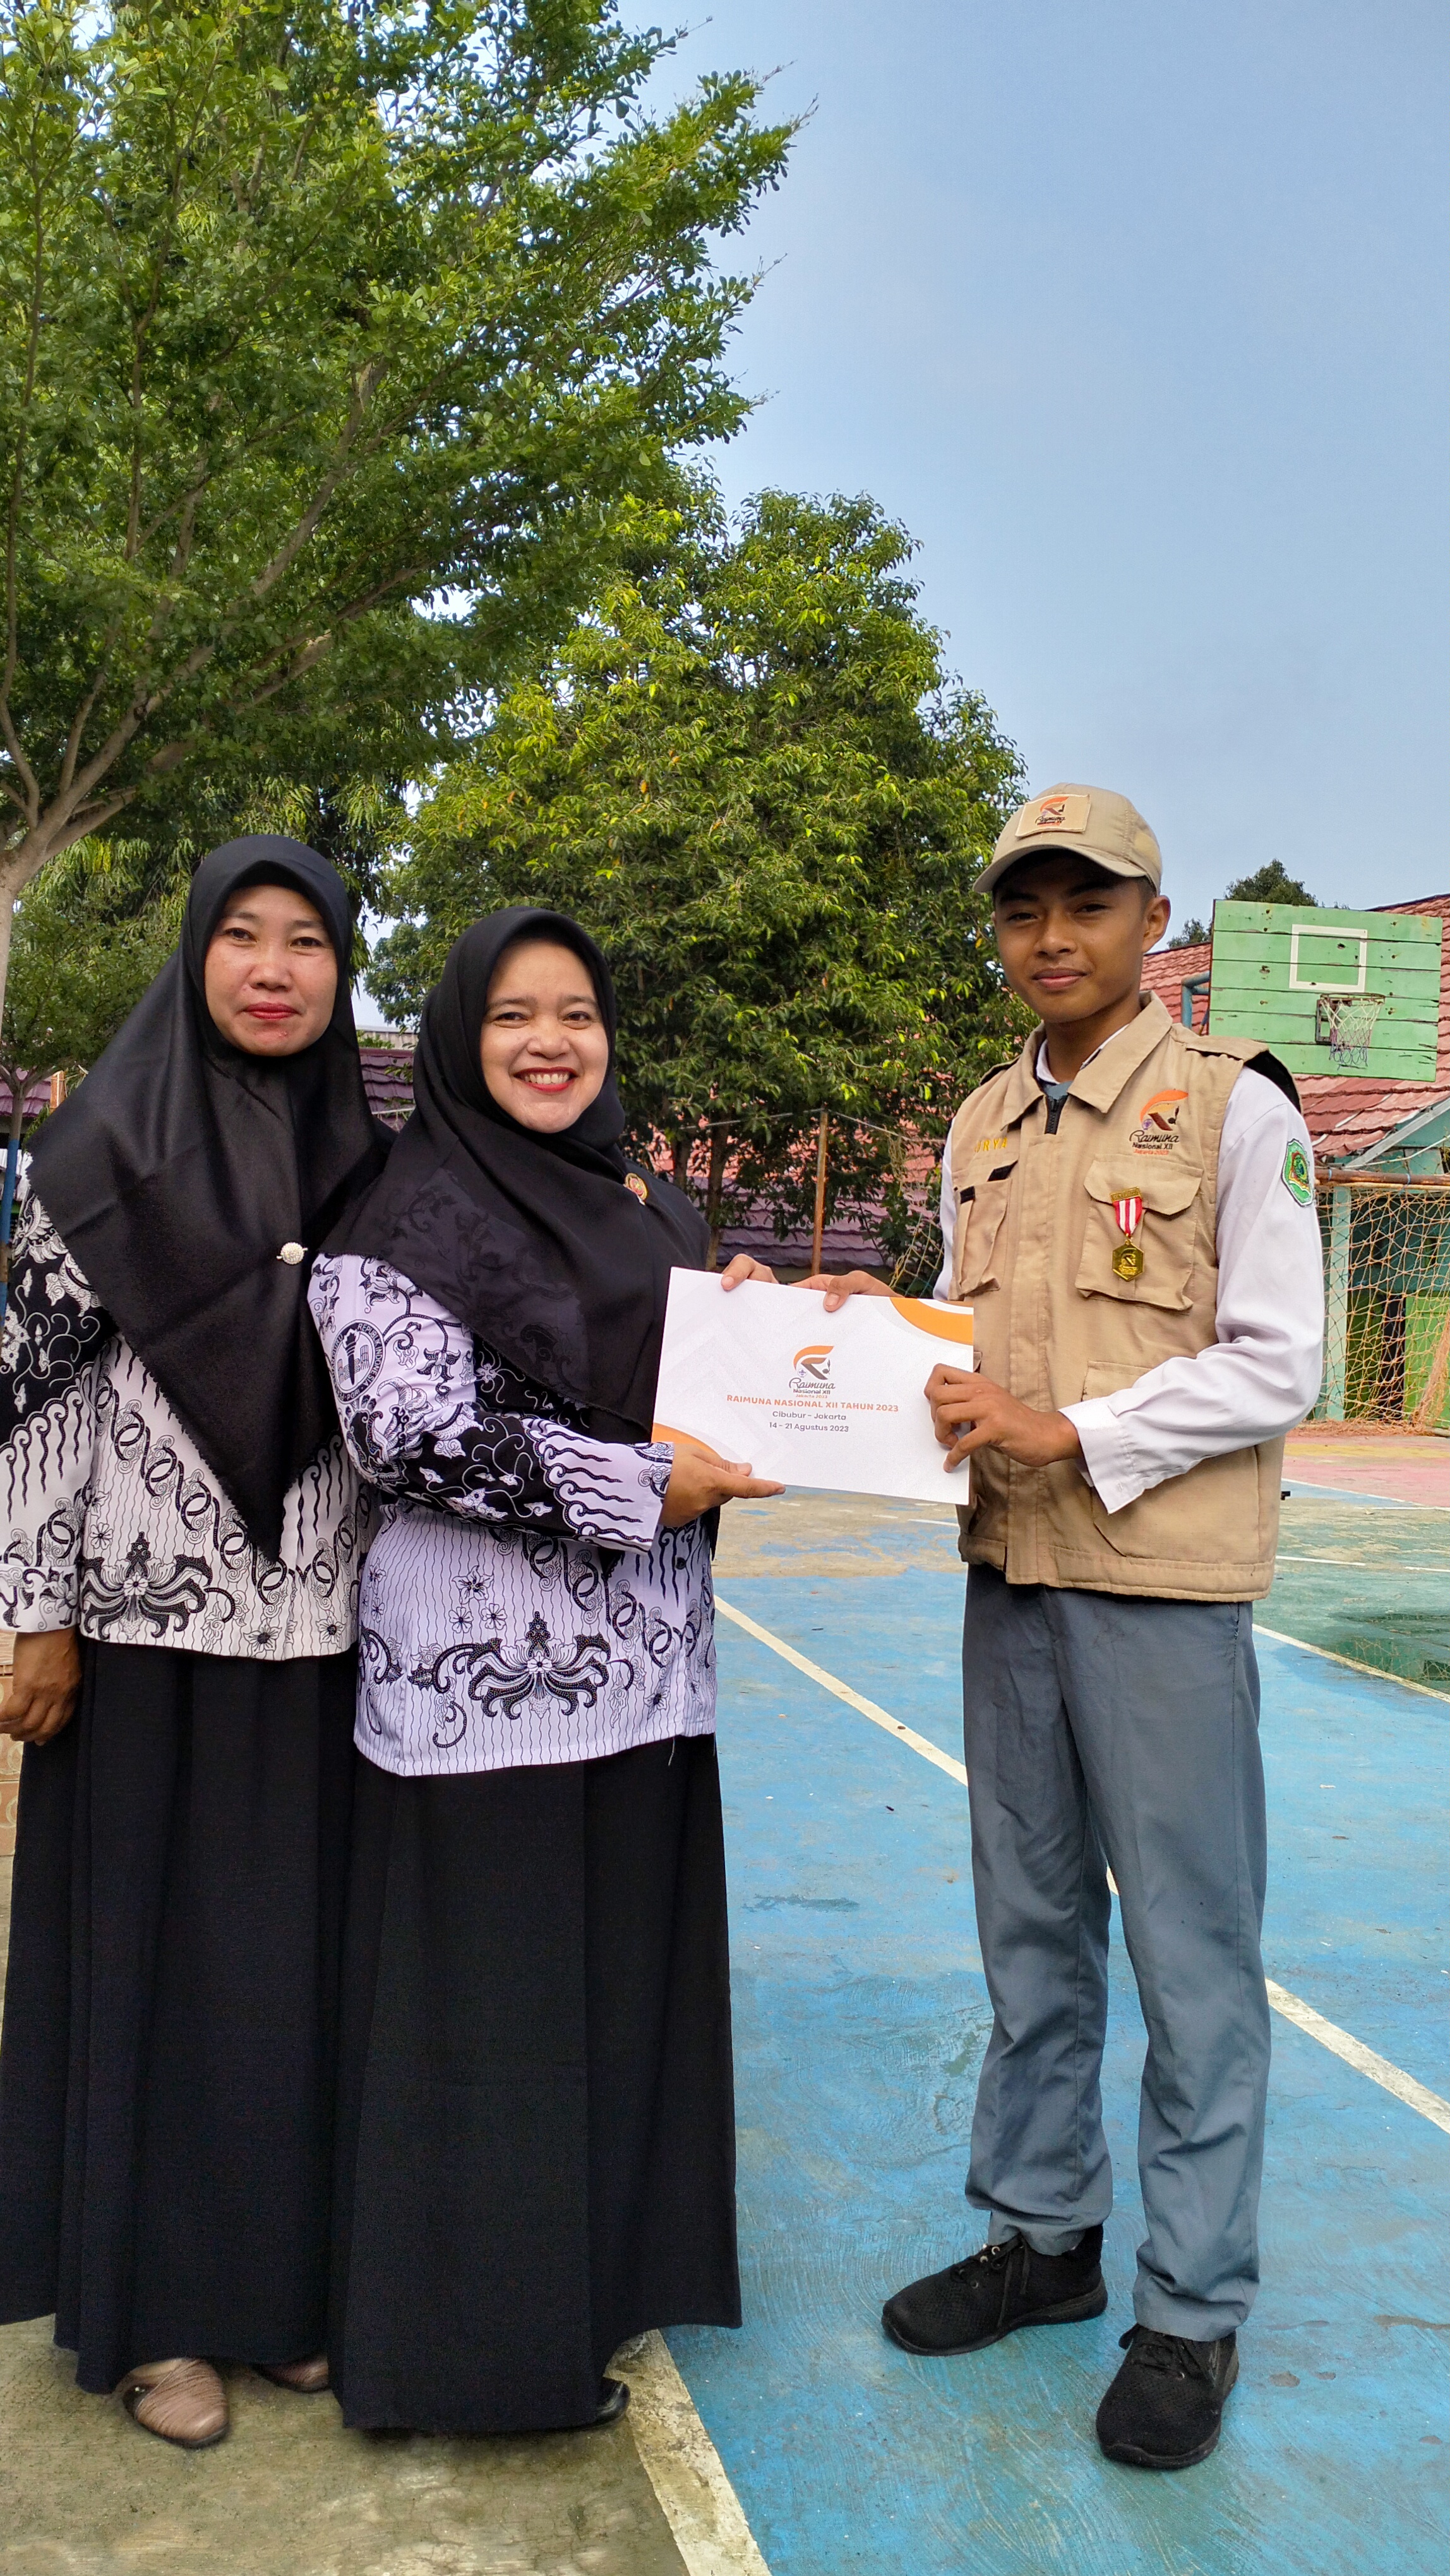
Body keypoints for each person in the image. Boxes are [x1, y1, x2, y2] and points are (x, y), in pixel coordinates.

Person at [805, 784, 1324, 2470]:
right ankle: (1043, 2238)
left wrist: (1071, 1434)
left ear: (1152, 921)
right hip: (1010, 1579)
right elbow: (963, 1340)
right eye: (1022, 909)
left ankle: (1190, 2311)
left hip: (1158, 1590)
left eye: (1085, 905)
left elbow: (1280, 1361)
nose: (1050, 938)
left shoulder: (1231, 1107)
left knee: (1190, 1958)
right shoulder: (982, 1122)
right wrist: (861, 1336)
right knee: (1029, 1937)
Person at [308, 905, 780, 2435]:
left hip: (645, 1682)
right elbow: (409, 1439)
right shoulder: (401, 1217)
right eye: (512, 1014)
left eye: (576, 1012)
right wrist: (637, 1484)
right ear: (459, 1036)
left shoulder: (645, 1207)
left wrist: (788, 1338)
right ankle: (469, 2359)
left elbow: (696, 1378)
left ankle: (590, 2297)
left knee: (610, 2007)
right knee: (492, 2029)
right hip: (477, 1689)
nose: (549, 1042)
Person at [0, 837, 390, 2450]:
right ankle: (154, 2314)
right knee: (150, 1967)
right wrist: (34, 1611)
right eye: (242, 935)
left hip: (323, 1633)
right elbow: (34, 1392)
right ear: (195, 953)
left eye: (308, 940)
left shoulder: (371, 1166)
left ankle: (277, 2295)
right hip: (141, 1630)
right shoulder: (99, 1152)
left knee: (287, 1973)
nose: (275, 969)